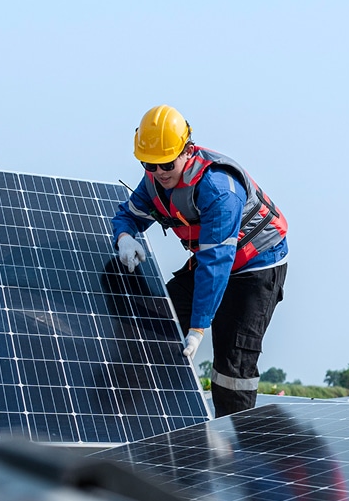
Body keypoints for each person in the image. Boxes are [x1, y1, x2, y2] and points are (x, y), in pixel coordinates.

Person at [110, 105, 288, 417]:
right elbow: (128, 214)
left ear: (188, 151)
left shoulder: (219, 189)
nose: (159, 172)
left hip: (255, 268)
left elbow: (216, 261)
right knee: (157, 323)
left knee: (232, 365)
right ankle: (146, 418)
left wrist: (198, 327)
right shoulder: (154, 181)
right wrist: (124, 237)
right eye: (148, 164)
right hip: (211, 261)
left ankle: (235, 441)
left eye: (166, 163)